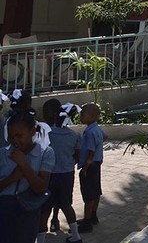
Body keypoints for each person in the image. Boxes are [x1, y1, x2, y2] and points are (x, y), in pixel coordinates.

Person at [0, 111, 55, 243]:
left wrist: (24, 165)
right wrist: (13, 177)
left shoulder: (45, 154)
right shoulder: (3, 154)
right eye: (11, 136)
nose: (15, 141)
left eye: (19, 136)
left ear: (32, 131)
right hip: (3, 210)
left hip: (28, 211)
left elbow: (41, 188)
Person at [39, 100, 82, 243]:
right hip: (66, 174)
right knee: (66, 205)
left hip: (48, 175)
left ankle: (41, 239)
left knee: (45, 209)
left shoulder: (47, 134)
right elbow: (77, 156)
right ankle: (76, 236)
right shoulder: (75, 136)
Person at [77, 103, 104, 234]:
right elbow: (104, 137)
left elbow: (91, 152)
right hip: (97, 164)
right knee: (96, 190)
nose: (80, 116)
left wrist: (85, 168)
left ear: (92, 116)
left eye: (83, 114)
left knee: (88, 194)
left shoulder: (90, 132)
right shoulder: (96, 129)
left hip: (90, 165)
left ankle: (87, 222)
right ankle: (93, 215)